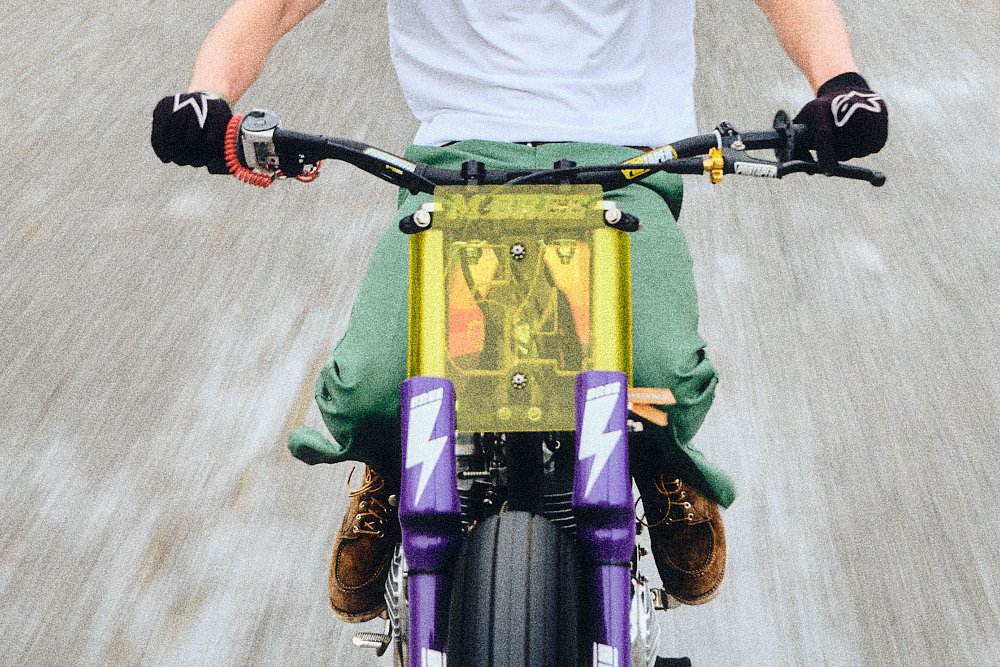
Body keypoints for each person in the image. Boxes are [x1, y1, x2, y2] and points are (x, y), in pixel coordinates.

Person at [152, 0, 888, 623]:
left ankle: (656, 462)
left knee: (666, 373)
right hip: (451, 168)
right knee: (370, 386)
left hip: (624, 163)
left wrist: (840, 83)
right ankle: (391, 467)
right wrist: (205, 95)